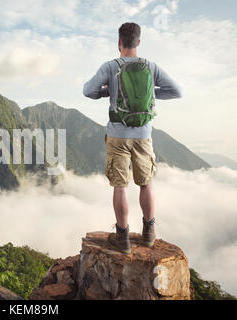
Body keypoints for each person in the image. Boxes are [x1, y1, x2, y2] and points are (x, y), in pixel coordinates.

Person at [83, 22, 182, 254]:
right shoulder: (151, 66)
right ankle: (149, 233)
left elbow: (88, 91)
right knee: (146, 182)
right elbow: (177, 91)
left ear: (119, 43)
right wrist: (152, 96)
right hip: (144, 135)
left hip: (117, 135)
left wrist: (108, 91)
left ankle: (123, 237)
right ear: (138, 42)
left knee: (120, 186)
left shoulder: (110, 66)